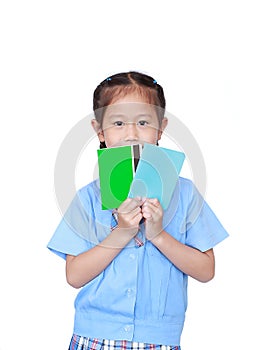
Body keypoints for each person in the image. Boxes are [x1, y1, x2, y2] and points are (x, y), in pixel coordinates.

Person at [47, 71, 229, 350]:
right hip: (94, 338)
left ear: (160, 128)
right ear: (100, 131)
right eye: (118, 123)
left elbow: (206, 271)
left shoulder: (185, 193)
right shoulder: (88, 198)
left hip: (159, 341)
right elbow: (74, 276)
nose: (131, 133)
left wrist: (158, 235)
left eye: (143, 122)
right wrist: (122, 233)